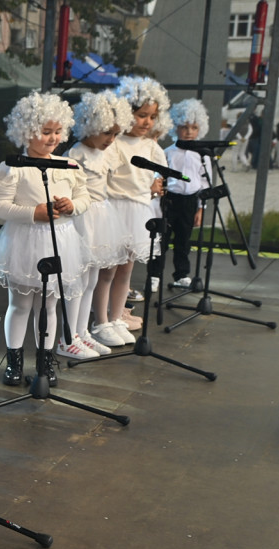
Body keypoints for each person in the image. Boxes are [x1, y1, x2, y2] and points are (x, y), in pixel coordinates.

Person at [0, 91, 91, 387]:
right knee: (20, 304)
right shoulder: (12, 166)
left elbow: (84, 197)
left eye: (58, 132)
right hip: (24, 241)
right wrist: (35, 212)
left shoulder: (70, 165)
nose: (53, 138)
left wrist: (72, 207)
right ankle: (14, 362)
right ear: (26, 132)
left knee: (49, 306)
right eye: (46, 132)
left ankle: (46, 362)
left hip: (59, 241)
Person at [98, 76, 171, 349]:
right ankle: (102, 320)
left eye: (152, 117)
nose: (147, 122)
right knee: (107, 271)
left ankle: (117, 317)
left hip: (138, 211)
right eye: (141, 115)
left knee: (126, 272)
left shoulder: (151, 147)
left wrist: (155, 186)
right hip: (114, 209)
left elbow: (159, 178)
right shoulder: (114, 144)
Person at [66, 90, 134, 355]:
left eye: (116, 134)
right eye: (107, 132)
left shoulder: (107, 153)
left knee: (93, 279)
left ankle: (83, 331)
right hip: (83, 217)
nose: (112, 140)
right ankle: (69, 334)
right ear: (89, 126)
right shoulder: (76, 153)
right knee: (79, 279)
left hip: (102, 216)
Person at [163, 99, 213, 291]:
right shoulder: (168, 152)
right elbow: (160, 177)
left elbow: (205, 183)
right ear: (175, 127)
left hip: (190, 201)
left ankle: (181, 274)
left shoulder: (203, 155)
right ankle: (154, 274)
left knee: (183, 241)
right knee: (162, 241)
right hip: (169, 200)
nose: (189, 131)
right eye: (184, 127)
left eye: (194, 127)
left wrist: (201, 208)